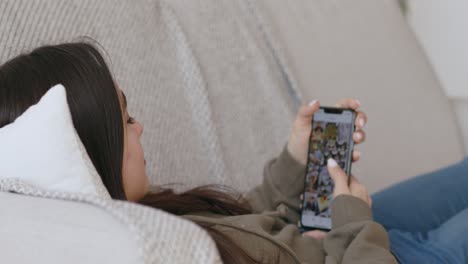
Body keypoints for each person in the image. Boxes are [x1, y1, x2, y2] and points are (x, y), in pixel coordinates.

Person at [0, 42, 396, 263]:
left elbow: (245, 225)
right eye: (126, 121)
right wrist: (354, 222)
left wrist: (295, 159)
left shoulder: (158, 218)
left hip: (353, 238)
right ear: (93, 151)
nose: (140, 128)